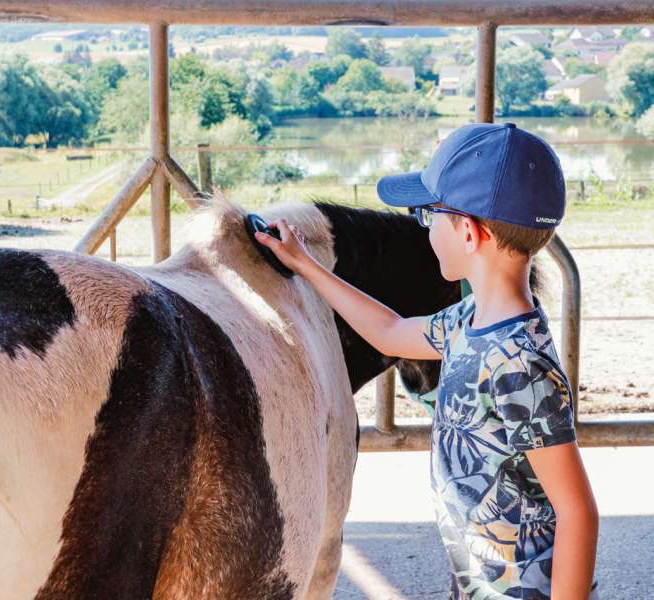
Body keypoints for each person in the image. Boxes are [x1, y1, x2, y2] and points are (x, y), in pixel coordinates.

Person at [254, 122, 600, 600]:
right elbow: (391, 331)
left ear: (469, 231)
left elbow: (576, 508)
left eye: (427, 214)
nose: (423, 227)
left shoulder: (521, 365)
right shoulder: (469, 320)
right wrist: (307, 266)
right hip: (478, 580)